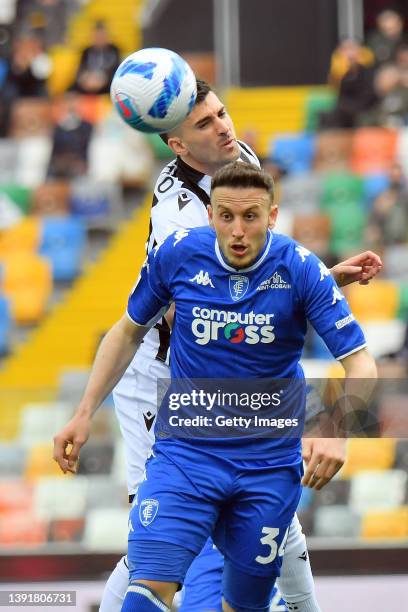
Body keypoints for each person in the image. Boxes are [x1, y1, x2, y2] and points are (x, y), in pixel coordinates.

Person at [54, 79, 382, 612]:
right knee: (154, 551)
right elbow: (186, 314)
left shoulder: (239, 163)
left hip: (255, 427)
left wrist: (318, 283)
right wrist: (85, 410)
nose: (223, 128)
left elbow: (262, 275)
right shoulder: (179, 227)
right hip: (169, 386)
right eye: (204, 124)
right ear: (178, 146)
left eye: (222, 114)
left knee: (272, 531)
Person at [71, 20, 120, 95]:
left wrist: (102, 79)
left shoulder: (115, 50)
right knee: (71, 91)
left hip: (107, 84)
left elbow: (117, 70)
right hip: (88, 83)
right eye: (97, 36)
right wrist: (85, 78)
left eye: (102, 36)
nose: (99, 39)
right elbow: (80, 70)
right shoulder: (86, 51)